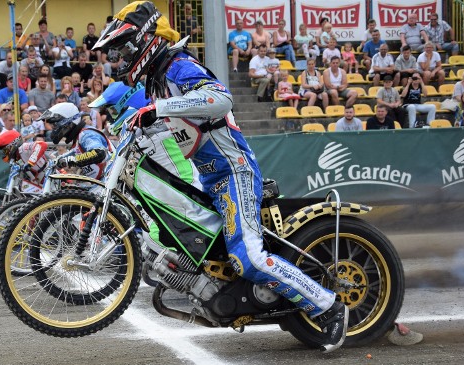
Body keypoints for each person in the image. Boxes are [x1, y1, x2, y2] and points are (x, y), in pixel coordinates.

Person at [92, 1, 348, 353]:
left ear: (144, 40)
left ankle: (329, 306)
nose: (119, 58)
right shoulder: (157, 82)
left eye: (123, 48)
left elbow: (219, 98)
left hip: (234, 171)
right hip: (210, 179)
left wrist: (158, 110)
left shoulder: (178, 66)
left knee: (249, 258)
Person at [41, 102, 113, 180]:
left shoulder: (86, 134)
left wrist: (70, 160)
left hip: (111, 180)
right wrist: (56, 161)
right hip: (103, 183)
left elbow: (100, 152)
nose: (54, 129)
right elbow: (74, 153)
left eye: (55, 125)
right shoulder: (79, 138)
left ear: (66, 121)